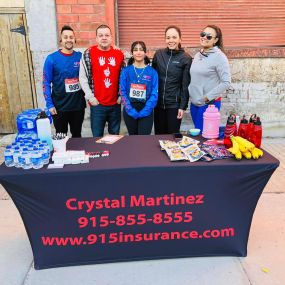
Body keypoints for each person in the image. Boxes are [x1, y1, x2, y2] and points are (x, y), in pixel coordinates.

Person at [79, 24, 124, 137]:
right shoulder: (88, 53)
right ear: (96, 38)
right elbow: (83, 78)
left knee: (114, 138)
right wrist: (90, 97)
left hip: (115, 104)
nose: (104, 38)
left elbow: (124, 77)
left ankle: (115, 155)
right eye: (101, 35)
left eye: (107, 35)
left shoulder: (119, 54)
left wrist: (121, 96)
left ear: (111, 38)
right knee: (97, 138)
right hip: (97, 105)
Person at [43, 25, 86, 137]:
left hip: (78, 107)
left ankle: (77, 155)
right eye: (66, 37)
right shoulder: (51, 58)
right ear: (61, 40)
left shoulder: (80, 57)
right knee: (61, 137)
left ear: (74, 40)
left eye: (71, 37)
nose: (69, 40)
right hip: (59, 107)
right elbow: (46, 83)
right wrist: (49, 104)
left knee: (77, 136)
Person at [188, 25, 231, 131]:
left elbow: (226, 82)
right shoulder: (198, 55)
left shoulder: (220, 57)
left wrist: (207, 98)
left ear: (215, 40)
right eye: (203, 34)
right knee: (199, 137)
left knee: (205, 139)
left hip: (209, 105)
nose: (204, 37)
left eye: (209, 36)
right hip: (194, 104)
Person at [152, 25, 192, 134]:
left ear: (180, 39)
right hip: (158, 104)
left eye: (174, 37)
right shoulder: (158, 54)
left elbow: (185, 85)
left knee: (172, 137)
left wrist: (182, 107)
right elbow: (152, 79)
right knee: (158, 137)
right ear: (165, 39)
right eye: (168, 37)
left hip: (174, 105)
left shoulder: (186, 58)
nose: (171, 40)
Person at [119, 41, 158, 135]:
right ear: (132, 53)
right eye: (135, 50)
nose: (138, 52)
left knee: (144, 141)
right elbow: (122, 91)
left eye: (141, 49)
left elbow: (154, 94)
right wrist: (130, 110)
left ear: (145, 52)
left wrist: (145, 111)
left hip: (146, 110)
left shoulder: (152, 72)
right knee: (133, 140)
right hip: (130, 110)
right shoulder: (126, 71)